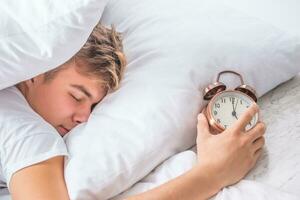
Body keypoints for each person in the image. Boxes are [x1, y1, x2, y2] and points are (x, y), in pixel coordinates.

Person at [0, 23, 266, 199]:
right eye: (77, 96)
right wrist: (211, 174)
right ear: (35, 71)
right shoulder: (26, 133)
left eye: (93, 106)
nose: (84, 117)